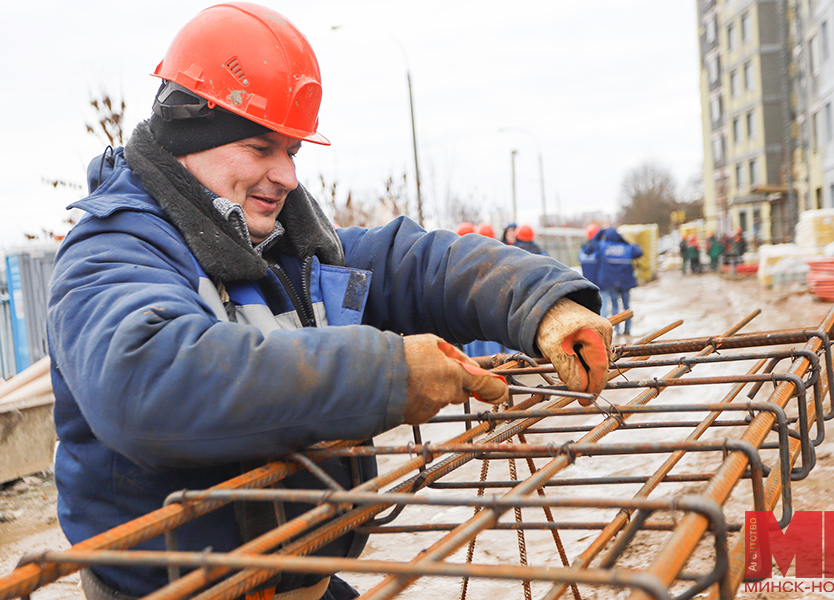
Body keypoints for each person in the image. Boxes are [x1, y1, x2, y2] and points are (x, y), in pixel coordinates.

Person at [46, 4, 613, 600]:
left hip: (296, 581)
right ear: (191, 138)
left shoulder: (280, 244)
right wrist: (387, 372)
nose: (287, 174)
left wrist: (544, 302)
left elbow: (414, 264)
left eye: (292, 150)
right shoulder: (113, 252)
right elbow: (147, 380)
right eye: (262, 147)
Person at [592, 228, 643, 336]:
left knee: (614, 306)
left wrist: (601, 231)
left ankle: (617, 330)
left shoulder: (604, 246)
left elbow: (593, 243)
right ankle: (628, 330)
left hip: (611, 282)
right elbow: (639, 252)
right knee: (626, 306)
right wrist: (625, 242)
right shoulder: (628, 248)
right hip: (625, 282)